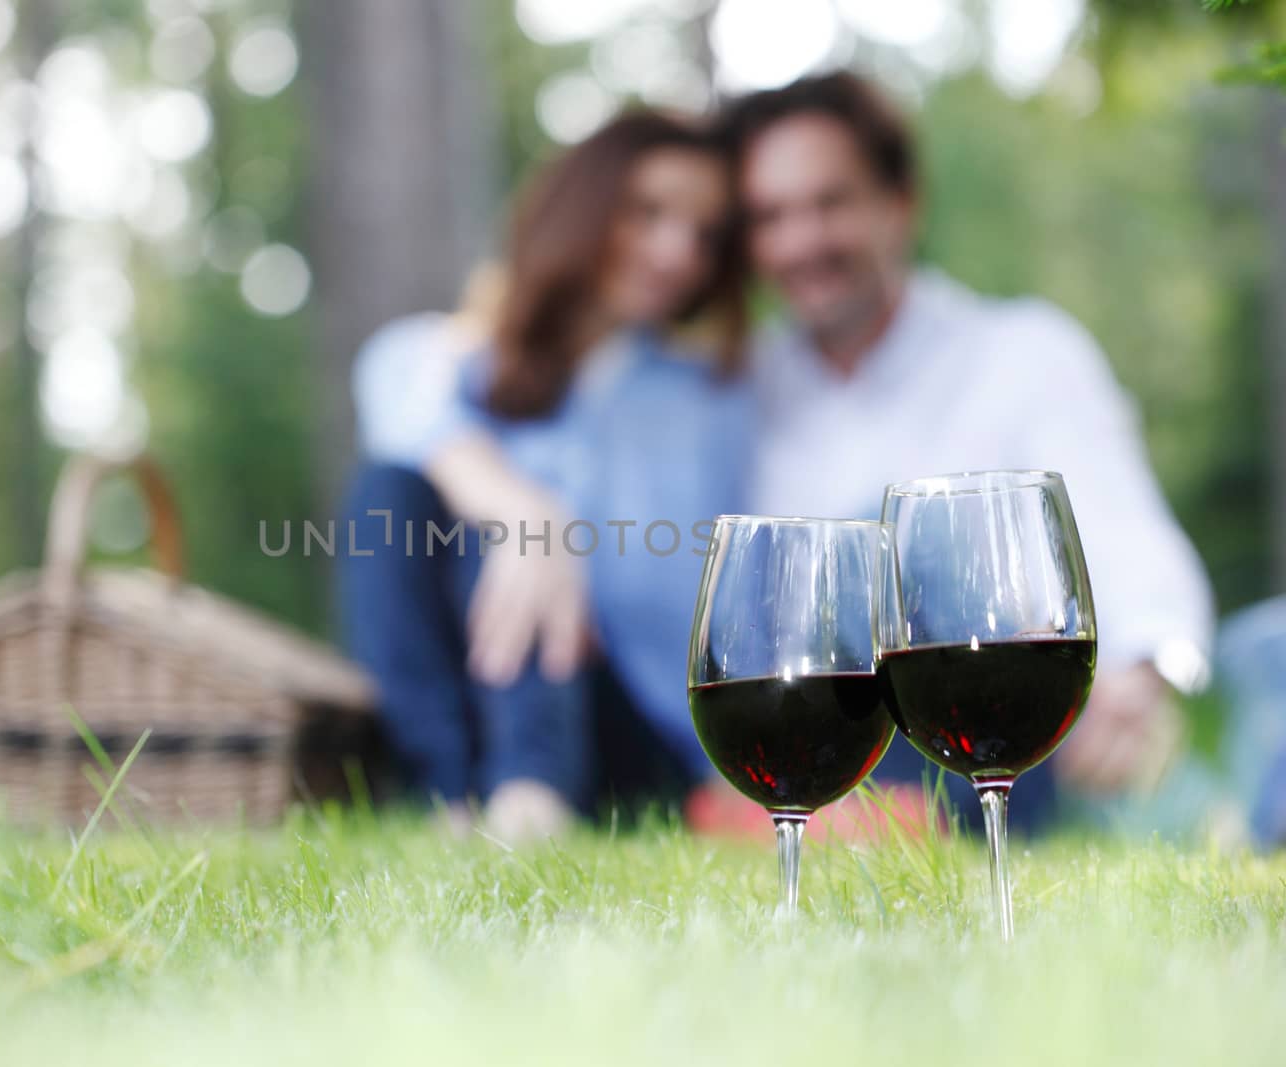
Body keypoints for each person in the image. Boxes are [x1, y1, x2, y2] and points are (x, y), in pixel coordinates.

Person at [702, 71, 1215, 834]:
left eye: (829, 203)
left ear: (900, 202)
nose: (801, 241)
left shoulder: (1023, 352)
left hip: (1003, 747)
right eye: (771, 216)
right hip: (814, 759)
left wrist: (1145, 672)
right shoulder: (735, 389)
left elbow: (1127, 535)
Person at [339, 111, 751, 841]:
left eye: (705, 234)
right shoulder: (463, 361)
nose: (676, 251)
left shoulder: (707, 398)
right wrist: (529, 518)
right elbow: (395, 382)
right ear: (585, 203)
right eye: (648, 212)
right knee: (390, 495)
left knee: (514, 538)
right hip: (477, 708)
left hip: (624, 730)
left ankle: (532, 798)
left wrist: (541, 539)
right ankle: (451, 800)